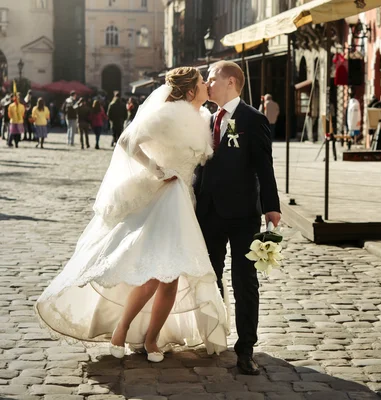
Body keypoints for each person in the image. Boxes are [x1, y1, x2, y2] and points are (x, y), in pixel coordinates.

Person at [35, 67, 229, 363]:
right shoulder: (168, 114)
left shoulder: (203, 118)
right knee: (153, 275)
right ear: (190, 91)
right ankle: (121, 330)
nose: (206, 86)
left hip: (184, 203)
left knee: (172, 278)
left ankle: (151, 339)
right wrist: (156, 169)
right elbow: (127, 141)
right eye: (203, 83)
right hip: (164, 199)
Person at [194, 61, 281, 375]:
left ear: (231, 81)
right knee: (210, 275)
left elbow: (264, 166)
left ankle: (246, 349)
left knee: (244, 281)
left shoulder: (252, 119)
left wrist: (272, 206)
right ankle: (215, 332)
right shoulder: (206, 118)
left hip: (244, 213)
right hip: (209, 211)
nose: (207, 83)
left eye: (212, 78)